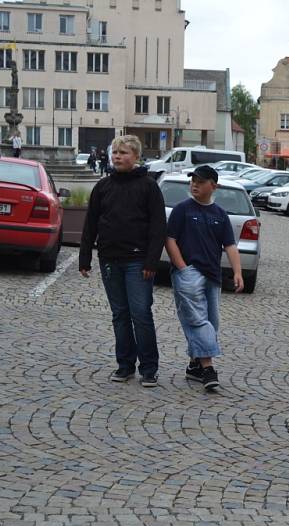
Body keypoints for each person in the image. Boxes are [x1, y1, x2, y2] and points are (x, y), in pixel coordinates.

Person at [79, 135, 167, 387]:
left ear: (136, 157)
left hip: (138, 262)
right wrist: (85, 257)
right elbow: (90, 224)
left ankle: (149, 368)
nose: (117, 156)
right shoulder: (103, 187)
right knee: (120, 314)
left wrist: (151, 262)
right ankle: (125, 365)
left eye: (124, 152)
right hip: (110, 259)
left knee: (140, 314)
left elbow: (158, 227)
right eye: (115, 152)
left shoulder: (149, 187)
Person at [165, 165, 244, 391]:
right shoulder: (182, 210)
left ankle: (194, 364)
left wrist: (237, 272)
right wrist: (182, 268)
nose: (194, 184)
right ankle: (208, 368)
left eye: (200, 181)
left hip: (213, 276)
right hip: (188, 273)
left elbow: (229, 245)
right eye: (193, 181)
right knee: (198, 319)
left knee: (212, 322)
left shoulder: (220, 214)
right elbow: (170, 240)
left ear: (213, 185)